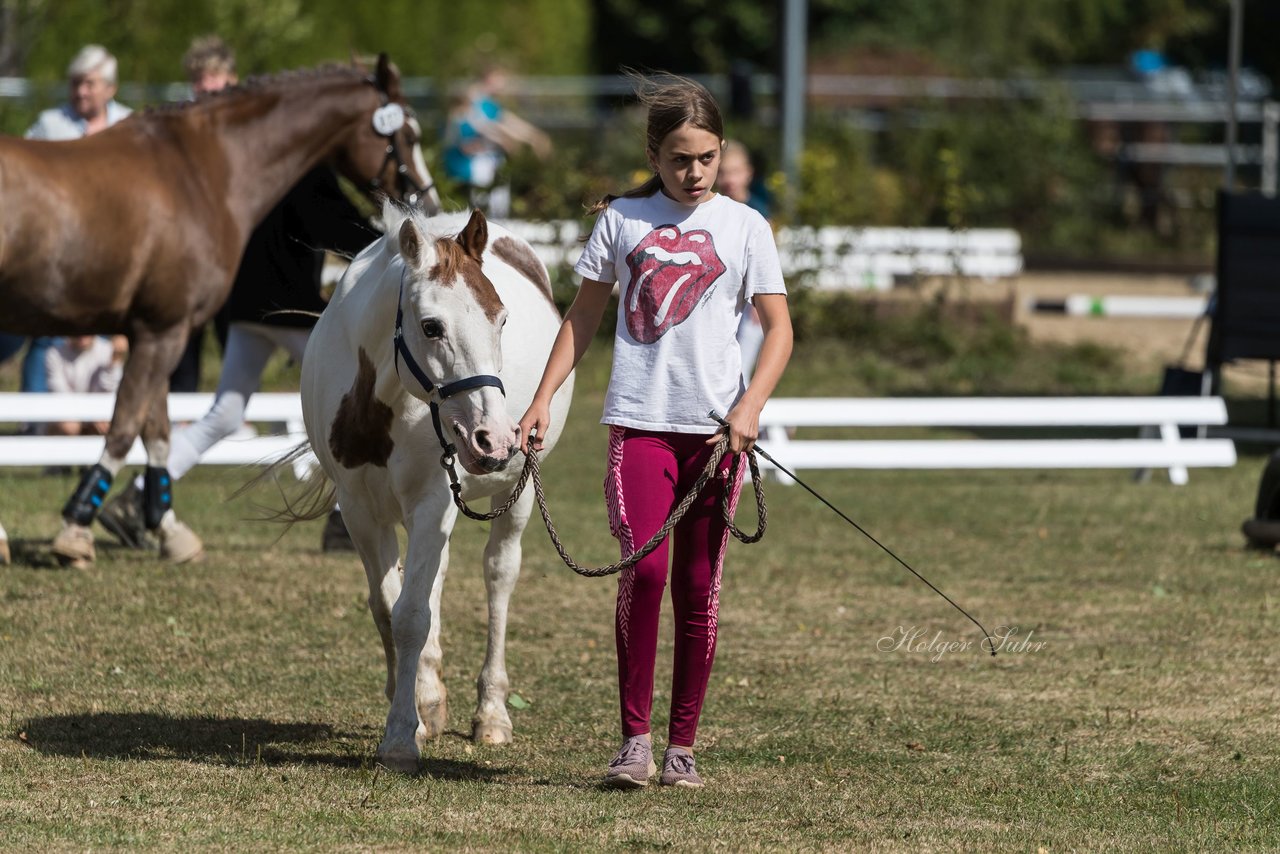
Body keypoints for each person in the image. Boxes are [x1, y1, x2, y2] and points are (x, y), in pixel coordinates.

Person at [517, 74, 793, 789]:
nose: (693, 172)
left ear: (721, 152)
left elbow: (780, 330)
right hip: (639, 423)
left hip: (716, 437)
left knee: (698, 588)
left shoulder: (746, 227)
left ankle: (683, 746)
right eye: (679, 159)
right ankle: (634, 742)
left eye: (705, 158)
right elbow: (581, 318)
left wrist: (750, 406)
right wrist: (542, 397)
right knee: (644, 573)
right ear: (655, 153)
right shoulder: (622, 220)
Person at [96, 37, 378, 554]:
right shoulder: (283, 155)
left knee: (225, 414)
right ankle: (342, 517)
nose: (209, 94)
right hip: (287, 302)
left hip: (246, 306)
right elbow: (329, 223)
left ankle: (136, 496)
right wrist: (384, 243)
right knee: (350, 399)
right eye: (201, 85)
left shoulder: (225, 154)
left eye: (217, 84)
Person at [17, 45, 132, 397]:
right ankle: (35, 422)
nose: (81, 91)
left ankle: (103, 416)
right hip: (57, 252)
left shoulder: (129, 125)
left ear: (110, 88)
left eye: (89, 83)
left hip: (112, 251)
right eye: (75, 83)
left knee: (107, 335)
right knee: (47, 334)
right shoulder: (50, 125)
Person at [167, 36, 240, 394]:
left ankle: (238, 413)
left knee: (235, 343)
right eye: (197, 78)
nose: (204, 86)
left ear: (231, 80)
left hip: (233, 256)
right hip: (188, 255)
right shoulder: (180, 125)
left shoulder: (246, 130)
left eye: (211, 76)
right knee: (183, 344)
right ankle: (181, 414)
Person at [442, 62, 551, 217]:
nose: (502, 86)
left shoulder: (488, 103)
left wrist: (534, 136)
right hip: (469, 162)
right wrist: (516, 140)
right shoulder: (475, 100)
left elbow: (506, 121)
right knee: (487, 193)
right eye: (500, 80)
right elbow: (492, 127)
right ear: (489, 78)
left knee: (497, 187)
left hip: (484, 160)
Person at [716, 140, 773, 380]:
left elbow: (767, 263)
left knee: (741, 368)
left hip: (750, 300)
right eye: (723, 172)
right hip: (721, 296)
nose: (730, 179)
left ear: (748, 173)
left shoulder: (757, 212)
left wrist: (762, 302)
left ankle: (746, 413)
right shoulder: (712, 210)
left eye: (736, 172)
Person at [44, 336, 128, 435]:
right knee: (69, 427)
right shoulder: (54, 354)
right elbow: (60, 393)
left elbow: (109, 389)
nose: (82, 337)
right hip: (69, 415)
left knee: (109, 425)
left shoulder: (108, 350)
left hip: (98, 414)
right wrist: (88, 415)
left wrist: (114, 362)